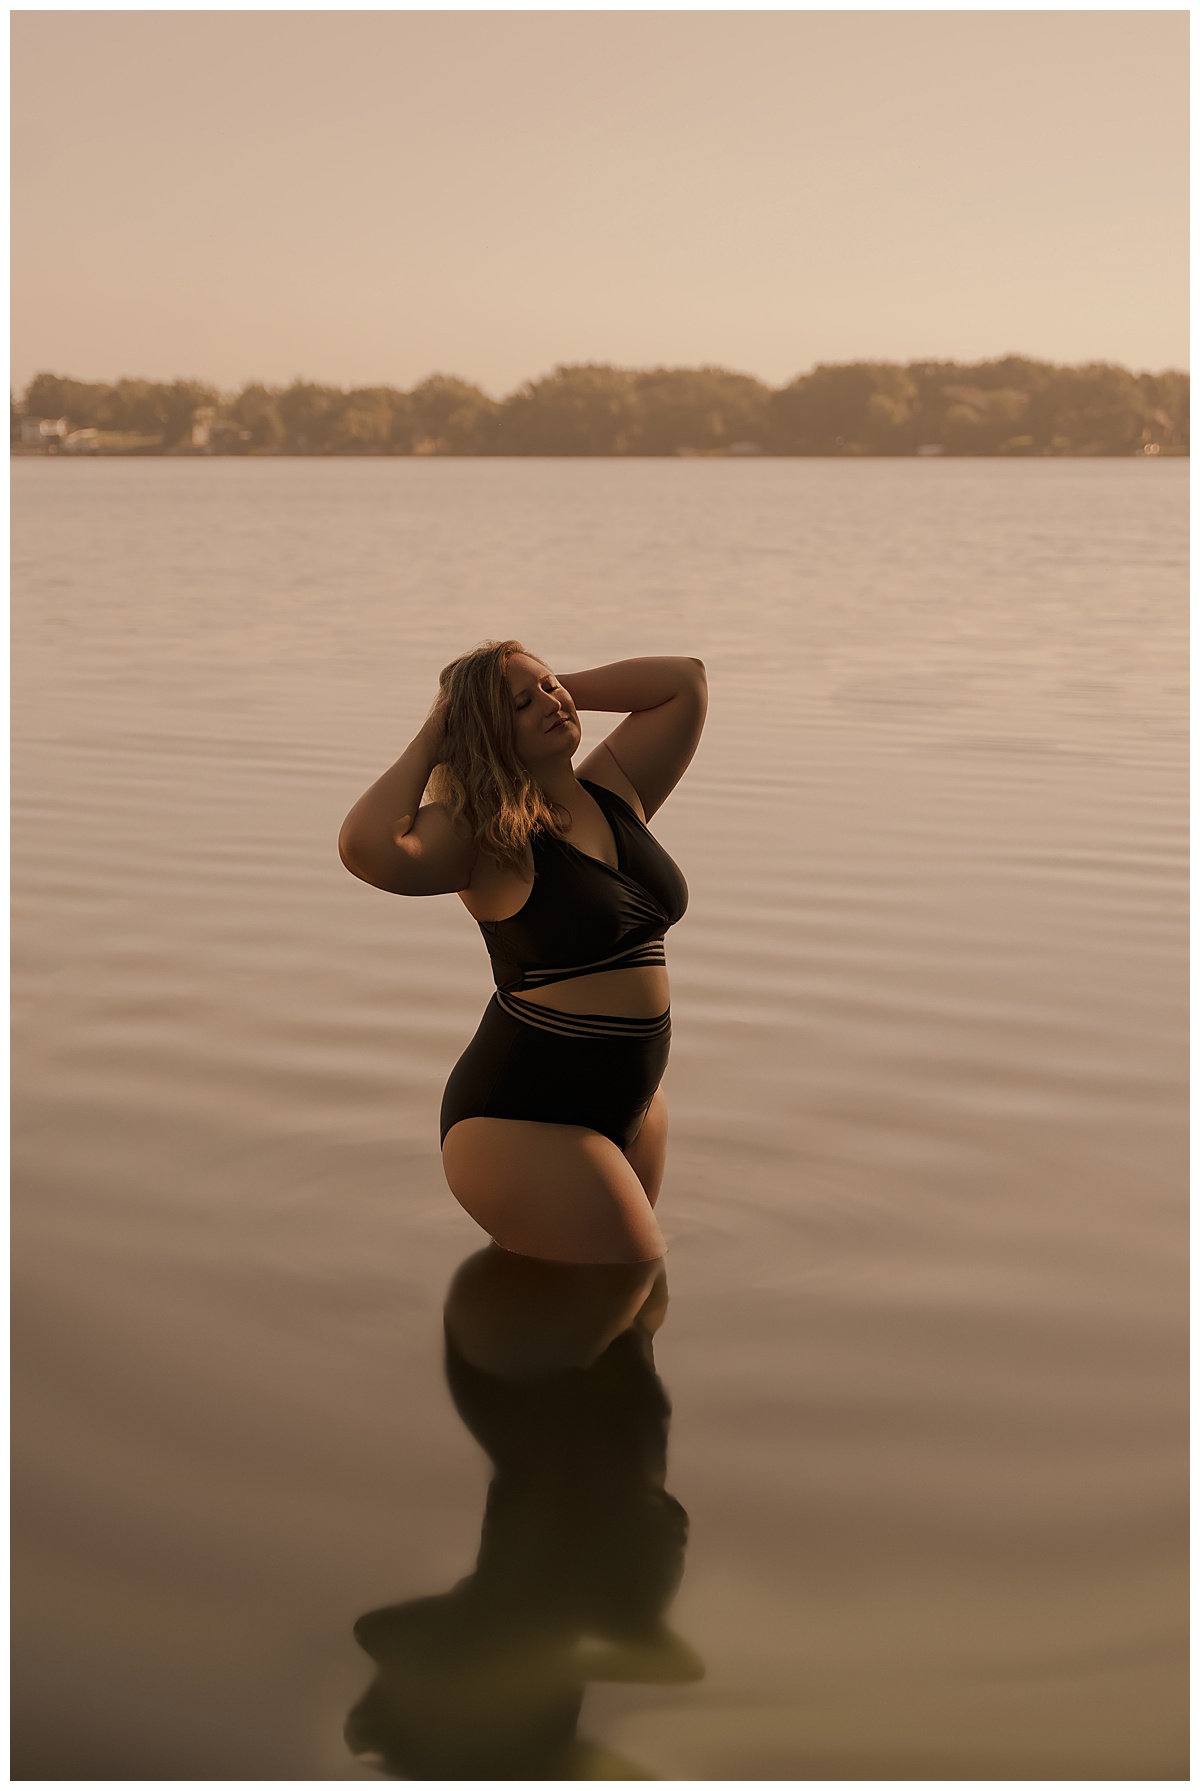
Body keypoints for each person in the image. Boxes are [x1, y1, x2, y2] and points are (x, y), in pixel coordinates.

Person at [338, 643, 707, 1264]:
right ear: (483, 730)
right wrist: (438, 733)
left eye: (549, 686)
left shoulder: (615, 790)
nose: (550, 702)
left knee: (622, 1324)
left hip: (630, 1101)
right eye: (519, 704)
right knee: (627, 1289)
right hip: (523, 1120)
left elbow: (684, 682)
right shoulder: (483, 834)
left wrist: (554, 692)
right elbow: (367, 847)